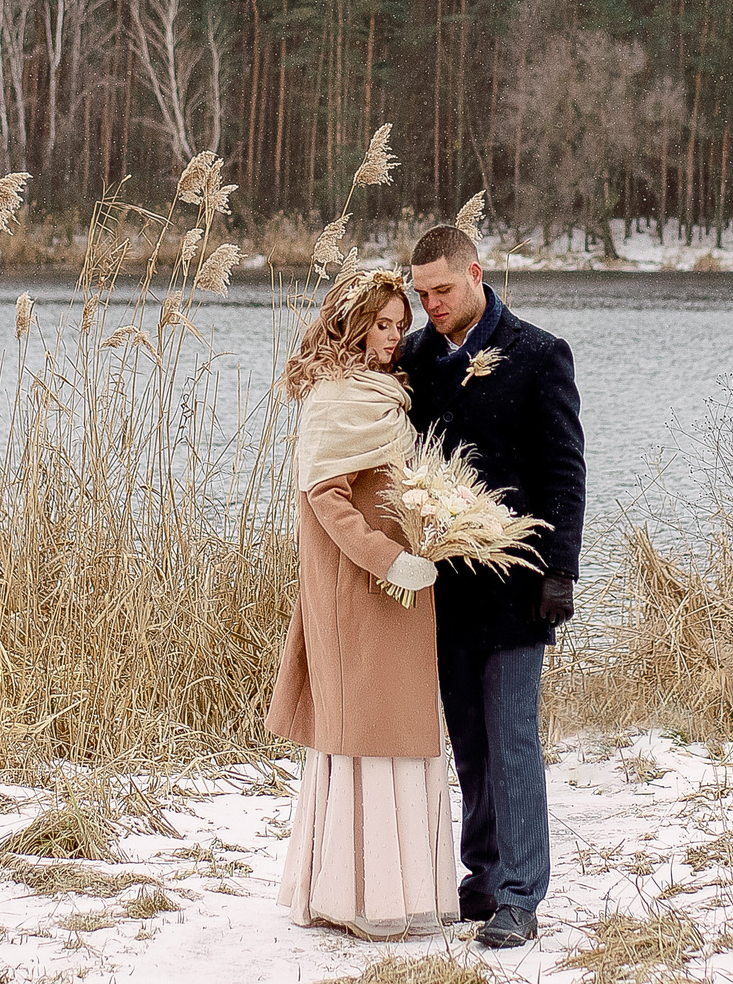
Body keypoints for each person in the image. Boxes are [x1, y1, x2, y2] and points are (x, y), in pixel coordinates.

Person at [396, 225, 585, 950]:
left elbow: (566, 470)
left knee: (511, 740)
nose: (430, 304)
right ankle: (482, 873)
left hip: (517, 585)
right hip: (442, 588)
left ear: (475, 274)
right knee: (468, 741)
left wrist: (559, 572)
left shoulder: (540, 354)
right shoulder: (416, 357)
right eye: (421, 294)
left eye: (441, 290)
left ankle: (520, 894)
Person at [267, 267, 460, 940]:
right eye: (382, 325)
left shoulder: (382, 393)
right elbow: (327, 499)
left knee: (398, 735)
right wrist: (389, 557)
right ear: (352, 324)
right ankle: (358, 894)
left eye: (400, 327)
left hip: (401, 595)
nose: (393, 339)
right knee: (364, 738)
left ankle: (396, 890)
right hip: (361, 593)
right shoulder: (336, 398)